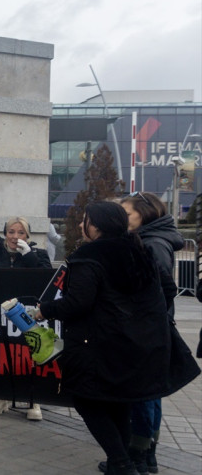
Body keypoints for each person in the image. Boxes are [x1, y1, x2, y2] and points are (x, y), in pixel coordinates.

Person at [36, 201, 198, 475]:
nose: (80, 225)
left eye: (84, 220)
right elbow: (168, 288)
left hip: (102, 346)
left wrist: (44, 311)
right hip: (141, 346)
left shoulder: (90, 255)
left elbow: (78, 303)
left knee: (86, 400)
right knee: (119, 401)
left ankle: (121, 463)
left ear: (96, 226)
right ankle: (119, 462)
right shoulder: (140, 249)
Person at [114, 192, 185, 472]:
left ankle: (139, 453)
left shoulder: (153, 244)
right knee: (149, 394)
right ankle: (147, 454)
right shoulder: (152, 240)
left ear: (144, 214)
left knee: (142, 394)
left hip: (148, 330)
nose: (123, 219)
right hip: (153, 328)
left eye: (127, 213)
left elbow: (160, 290)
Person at [0, 216, 52, 420]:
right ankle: (1, 396)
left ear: (27, 235)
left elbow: (45, 278)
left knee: (29, 353)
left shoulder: (39, 253)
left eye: (20, 232)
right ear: (5, 233)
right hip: (0, 311)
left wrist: (29, 256)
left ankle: (33, 400)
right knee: (1, 353)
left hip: (27, 314)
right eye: (11, 232)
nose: (15, 237)